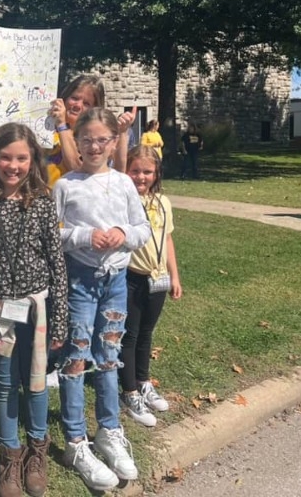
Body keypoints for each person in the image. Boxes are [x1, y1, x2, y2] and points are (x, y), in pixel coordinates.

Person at [0, 123, 69, 497]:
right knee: (5, 382)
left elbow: (57, 262)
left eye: (21, 158)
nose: (13, 165)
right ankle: (10, 452)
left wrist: (60, 319)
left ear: (32, 160)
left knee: (36, 382)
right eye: (5, 157)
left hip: (36, 308)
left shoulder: (41, 200)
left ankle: (36, 449)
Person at [52, 107, 151, 492]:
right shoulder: (65, 185)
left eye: (102, 139)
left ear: (113, 142)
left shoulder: (123, 183)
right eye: (87, 139)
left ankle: (109, 430)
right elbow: (54, 234)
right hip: (80, 282)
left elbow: (141, 228)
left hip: (115, 283)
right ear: (76, 142)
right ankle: (75, 441)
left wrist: (120, 233)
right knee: (76, 359)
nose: (94, 146)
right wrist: (83, 237)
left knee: (108, 358)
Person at [119, 146, 183, 427]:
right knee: (130, 335)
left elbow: (167, 240)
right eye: (135, 170)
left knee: (147, 332)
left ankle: (144, 381)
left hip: (158, 278)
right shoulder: (124, 200)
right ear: (126, 170)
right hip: (131, 277)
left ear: (156, 173)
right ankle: (129, 391)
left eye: (147, 171)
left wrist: (175, 275)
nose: (141, 176)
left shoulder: (163, 202)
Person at [46, 74, 136, 187]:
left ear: (95, 109)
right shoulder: (45, 127)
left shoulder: (93, 138)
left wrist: (62, 125)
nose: (78, 105)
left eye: (86, 103)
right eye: (74, 98)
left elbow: (78, 169)